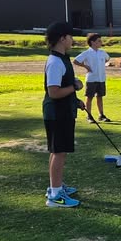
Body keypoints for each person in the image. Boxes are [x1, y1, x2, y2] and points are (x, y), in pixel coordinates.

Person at [43, 21, 85, 208]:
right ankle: (55, 195)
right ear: (62, 38)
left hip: (64, 110)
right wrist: (73, 87)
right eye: (70, 36)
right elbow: (53, 92)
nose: (73, 40)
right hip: (57, 114)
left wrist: (75, 100)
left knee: (59, 150)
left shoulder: (63, 59)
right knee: (59, 152)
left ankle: (56, 186)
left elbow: (62, 89)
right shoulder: (54, 62)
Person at [73, 33, 111, 123]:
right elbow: (75, 61)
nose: (101, 42)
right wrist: (86, 66)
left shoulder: (102, 52)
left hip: (101, 78)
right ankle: (89, 116)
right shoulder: (87, 53)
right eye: (99, 41)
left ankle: (101, 115)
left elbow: (107, 59)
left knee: (100, 97)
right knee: (89, 97)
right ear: (92, 42)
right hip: (91, 79)